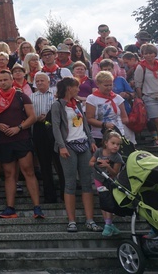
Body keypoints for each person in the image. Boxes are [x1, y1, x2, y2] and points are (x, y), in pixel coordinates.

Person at [0, 71, 42, 219]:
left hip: (22, 139)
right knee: (9, 175)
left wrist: (18, 128)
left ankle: (37, 207)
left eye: (6, 79)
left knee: (28, 171)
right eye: (0, 80)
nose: (3, 82)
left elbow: (32, 117)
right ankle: (10, 208)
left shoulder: (21, 96)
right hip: (4, 141)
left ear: (12, 80)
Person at [51, 77, 100, 233]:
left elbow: (84, 123)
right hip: (68, 146)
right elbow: (56, 127)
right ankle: (71, 220)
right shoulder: (58, 105)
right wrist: (61, 146)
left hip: (83, 143)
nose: (78, 90)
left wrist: (91, 140)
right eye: (76, 87)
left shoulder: (77, 104)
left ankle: (90, 219)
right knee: (70, 183)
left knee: (87, 182)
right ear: (68, 88)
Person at [31, 73, 63, 205]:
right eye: (37, 81)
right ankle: (50, 196)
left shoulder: (56, 95)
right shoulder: (31, 97)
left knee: (59, 163)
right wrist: (36, 118)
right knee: (44, 164)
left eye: (42, 81)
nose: (39, 83)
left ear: (48, 82)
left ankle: (64, 194)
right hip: (39, 129)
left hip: (55, 129)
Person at [90, 130, 123, 237]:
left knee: (108, 201)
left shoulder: (117, 157)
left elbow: (115, 173)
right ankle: (108, 224)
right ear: (106, 143)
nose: (115, 146)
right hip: (98, 179)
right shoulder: (99, 151)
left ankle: (108, 224)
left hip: (109, 181)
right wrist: (97, 164)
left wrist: (108, 166)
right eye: (113, 143)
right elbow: (90, 162)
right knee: (104, 200)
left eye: (118, 144)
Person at [85, 71, 132, 147]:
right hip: (99, 135)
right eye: (106, 85)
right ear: (98, 84)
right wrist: (104, 125)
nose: (109, 88)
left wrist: (126, 121)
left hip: (117, 134)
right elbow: (89, 119)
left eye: (111, 85)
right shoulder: (92, 98)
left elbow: (124, 117)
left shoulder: (117, 98)